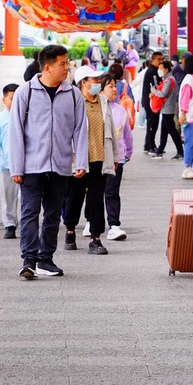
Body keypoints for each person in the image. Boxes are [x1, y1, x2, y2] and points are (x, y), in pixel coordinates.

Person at [10, 44, 88, 279]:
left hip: (60, 165)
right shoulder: (26, 92)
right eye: (62, 64)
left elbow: (80, 130)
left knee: (54, 214)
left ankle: (46, 259)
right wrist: (17, 166)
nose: (67, 68)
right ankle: (29, 260)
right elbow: (15, 131)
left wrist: (81, 161)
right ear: (47, 67)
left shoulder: (73, 94)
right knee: (30, 213)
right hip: (31, 166)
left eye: (67, 63)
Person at [63, 66, 119, 255]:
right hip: (78, 160)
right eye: (93, 80)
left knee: (96, 199)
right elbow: (66, 133)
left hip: (99, 159)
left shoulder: (103, 102)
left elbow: (110, 131)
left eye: (97, 80)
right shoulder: (73, 102)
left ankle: (96, 238)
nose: (97, 83)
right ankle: (70, 230)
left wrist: (115, 156)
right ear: (83, 82)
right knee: (74, 198)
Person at [100, 75, 132, 241]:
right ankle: (93, 222)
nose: (114, 89)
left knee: (112, 192)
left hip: (116, 159)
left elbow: (127, 134)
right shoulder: (94, 108)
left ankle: (114, 225)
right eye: (110, 86)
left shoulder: (120, 109)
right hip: (97, 158)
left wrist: (128, 153)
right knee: (96, 192)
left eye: (114, 86)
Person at [0, 83, 21, 239]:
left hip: (26, 164)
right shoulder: (0, 119)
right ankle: (9, 224)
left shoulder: (27, 116)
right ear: (4, 100)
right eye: (12, 99)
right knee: (8, 195)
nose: (15, 102)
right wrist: (0, 161)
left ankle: (25, 222)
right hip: (6, 164)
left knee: (26, 196)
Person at [151, 60, 183, 161]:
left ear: (166, 69)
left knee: (172, 131)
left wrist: (154, 91)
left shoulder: (169, 80)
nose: (159, 70)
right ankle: (160, 151)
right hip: (166, 108)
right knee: (164, 131)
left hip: (168, 108)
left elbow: (163, 94)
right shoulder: (168, 79)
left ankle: (180, 152)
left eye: (161, 68)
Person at [140, 52, 163, 154]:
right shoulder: (152, 72)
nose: (161, 61)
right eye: (159, 59)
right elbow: (155, 86)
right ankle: (151, 146)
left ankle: (147, 145)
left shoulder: (153, 71)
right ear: (153, 60)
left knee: (152, 123)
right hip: (151, 103)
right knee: (152, 124)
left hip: (151, 102)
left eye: (162, 59)